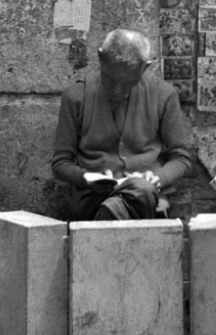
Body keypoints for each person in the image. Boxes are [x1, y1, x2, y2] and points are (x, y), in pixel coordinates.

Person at [51, 29, 192, 221]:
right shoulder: (76, 96)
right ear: (100, 58)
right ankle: (112, 212)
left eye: (128, 83)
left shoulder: (164, 95)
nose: (117, 90)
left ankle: (110, 215)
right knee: (118, 203)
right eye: (110, 80)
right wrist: (87, 178)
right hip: (94, 197)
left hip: (146, 196)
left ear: (145, 67)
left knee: (140, 189)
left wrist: (158, 178)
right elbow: (60, 163)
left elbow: (181, 158)